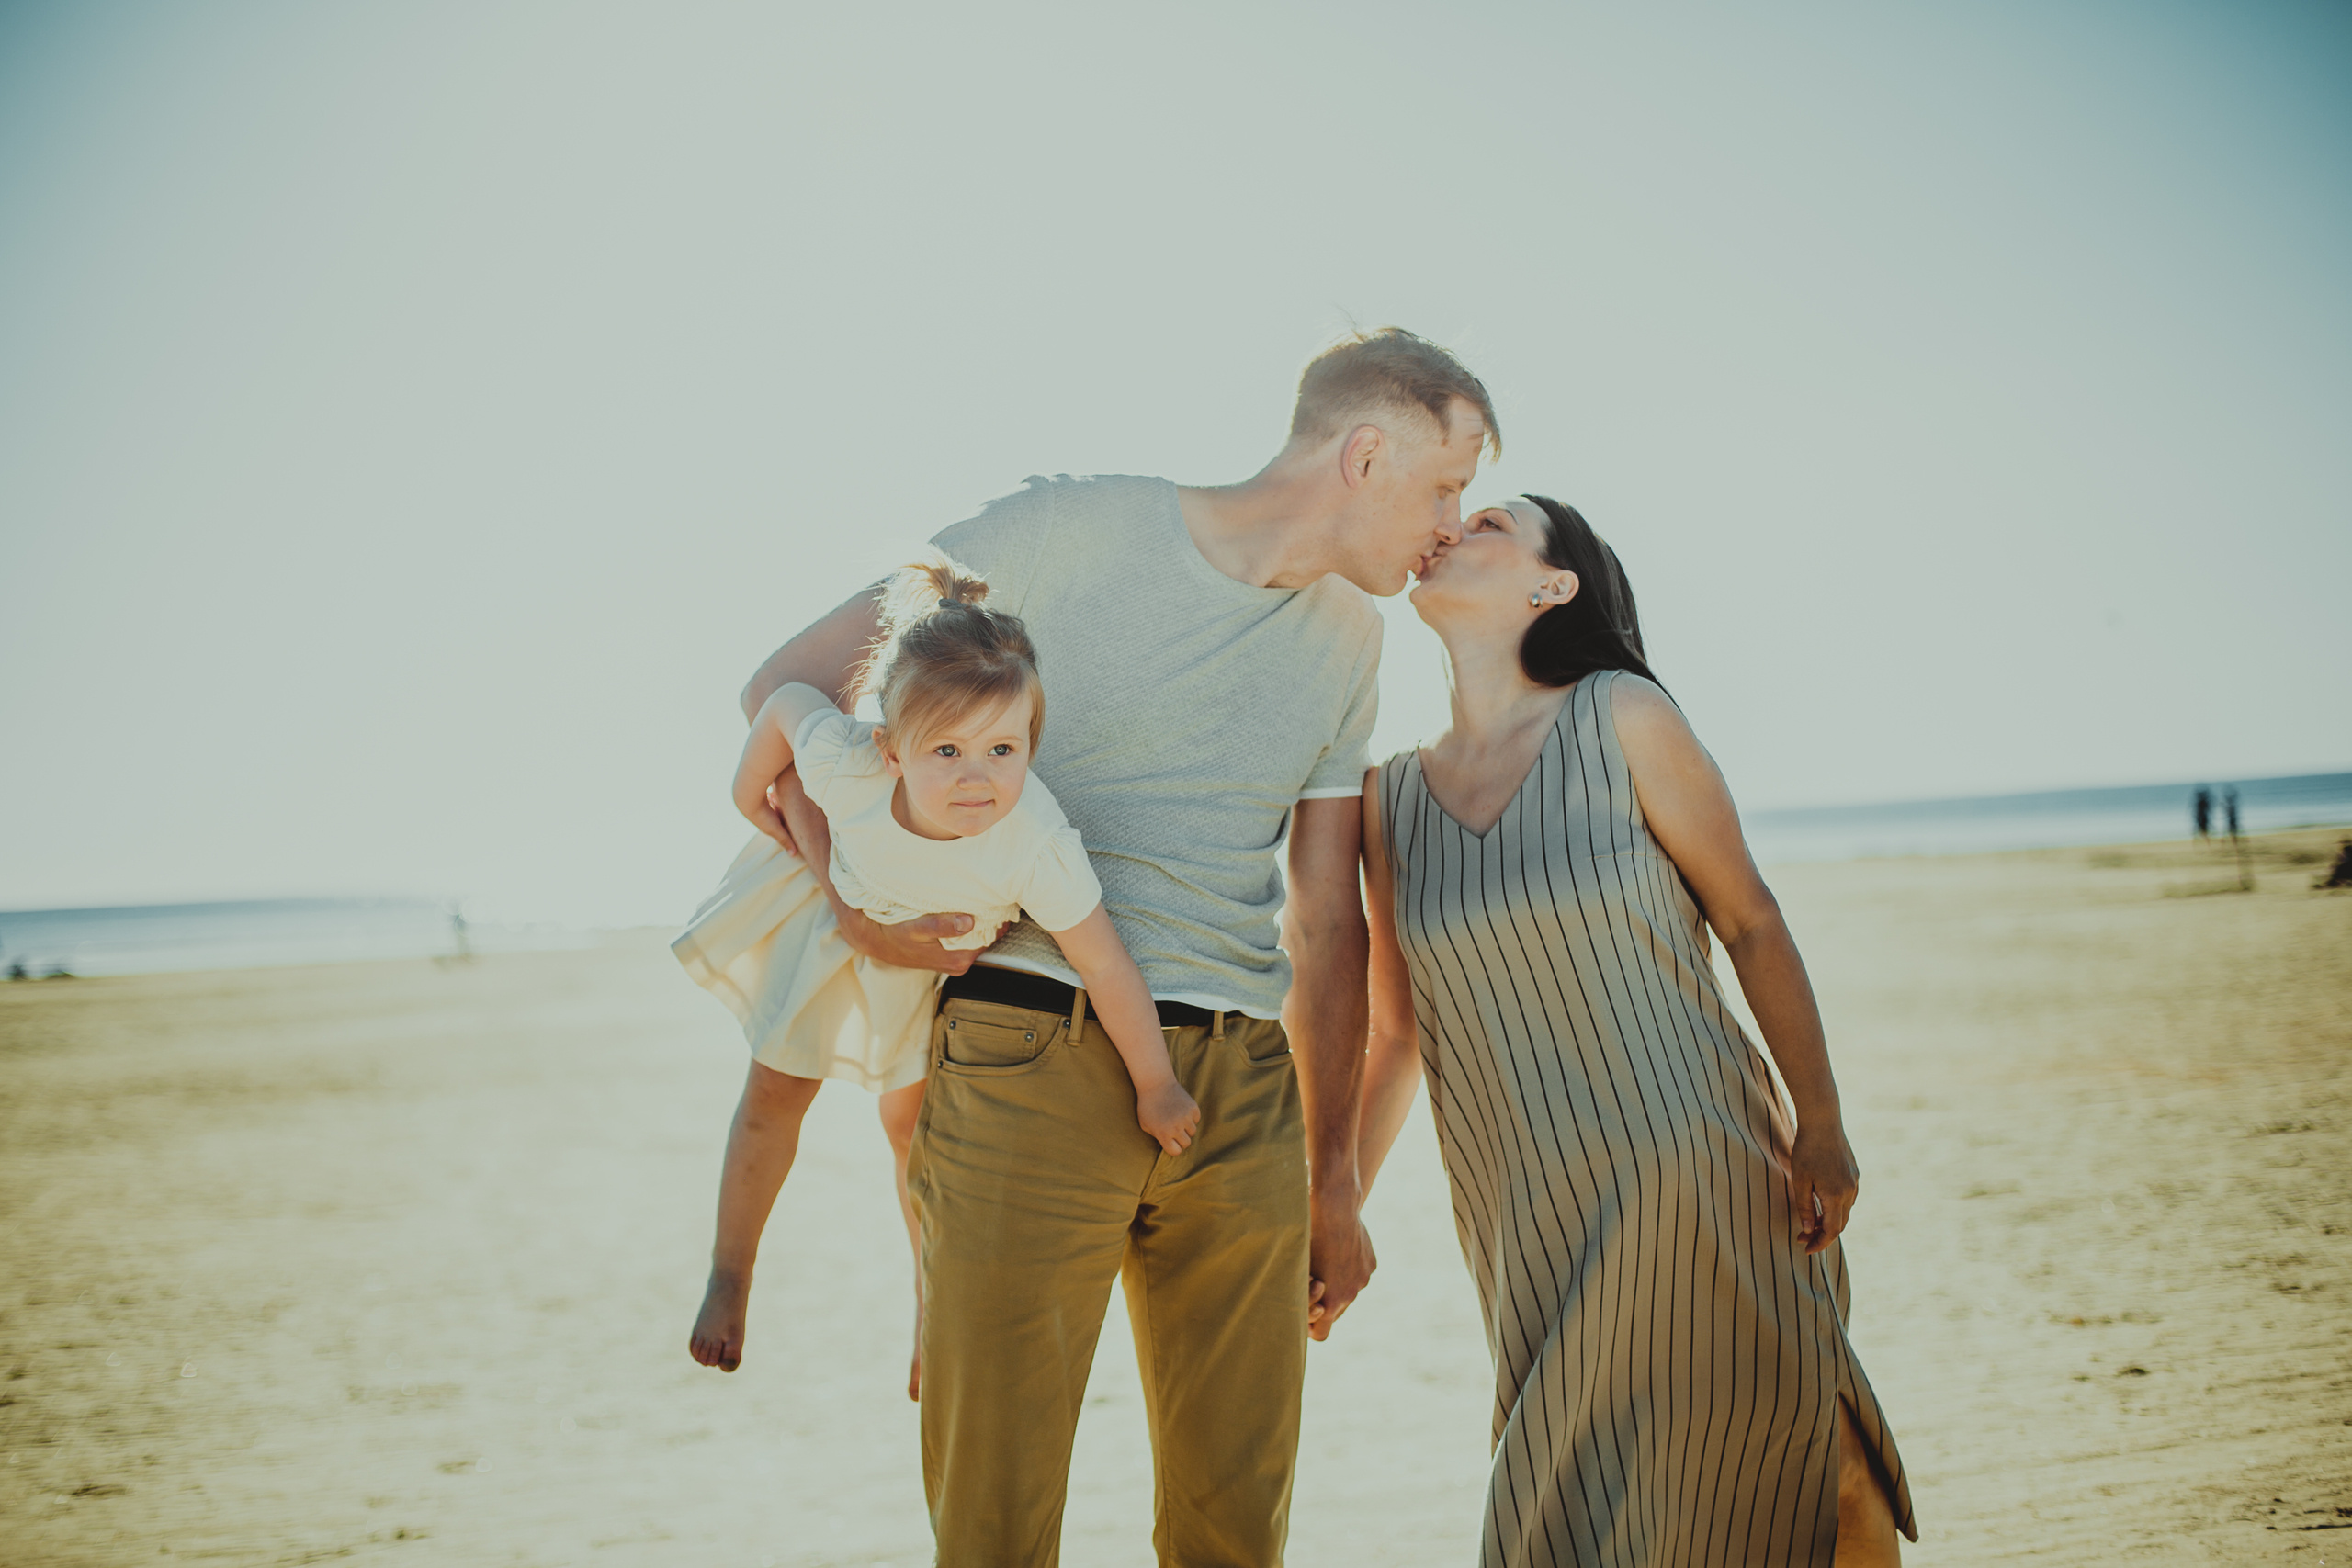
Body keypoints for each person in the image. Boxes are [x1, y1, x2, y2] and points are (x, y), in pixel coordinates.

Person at [739, 328, 1498, 1565]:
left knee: (1236, 1532)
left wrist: (1334, 1173)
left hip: (1244, 1094)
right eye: (1444, 483)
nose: (1452, 522)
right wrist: (854, 903)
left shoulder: (1354, 644)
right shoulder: (1068, 528)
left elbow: (1323, 915)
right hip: (1024, 1058)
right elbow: (790, 687)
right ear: (1366, 454)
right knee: (995, 1518)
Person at [1357, 495, 1917, 1566]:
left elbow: (1750, 919)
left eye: (1490, 521)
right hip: (1525, 1210)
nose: (1451, 527)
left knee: (1805, 1445)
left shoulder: (1620, 715)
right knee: (1576, 1491)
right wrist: (1329, 1203)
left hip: (1696, 1159)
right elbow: (1394, 1034)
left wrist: (1824, 1121)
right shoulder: (1387, 800)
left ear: (1549, 586)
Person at [673, 555, 1200, 1389]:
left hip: (926, 975)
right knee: (775, 1094)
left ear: (1031, 743)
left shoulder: (1033, 837)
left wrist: (1156, 1082)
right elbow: (782, 704)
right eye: (946, 749)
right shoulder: (848, 765)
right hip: (829, 921)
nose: (975, 776)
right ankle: (730, 1272)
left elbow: (1104, 961)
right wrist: (750, 798)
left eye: (1002, 748)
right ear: (891, 749)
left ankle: (929, 1312)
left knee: (910, 1129)